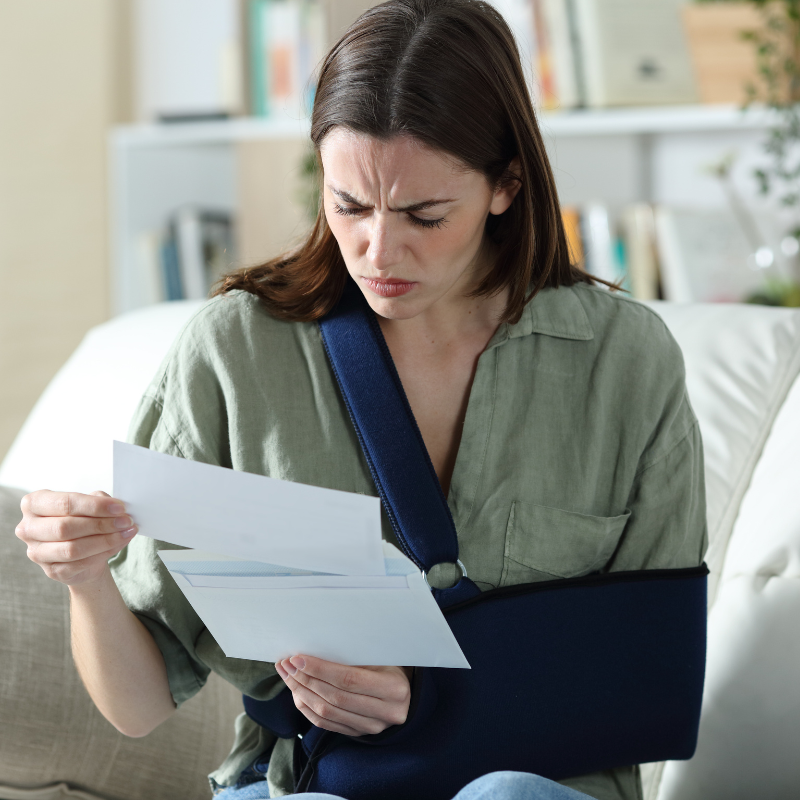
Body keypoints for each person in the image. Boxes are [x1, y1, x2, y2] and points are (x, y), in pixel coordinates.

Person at [14, 0, 708, 798]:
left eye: (424, 214)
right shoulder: (237, 352)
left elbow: (650, 683)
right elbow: (135, 709)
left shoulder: (625, 361)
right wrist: (87, 579)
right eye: (348, 205)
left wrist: (438, 701)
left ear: (506, 185)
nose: (379, 251)